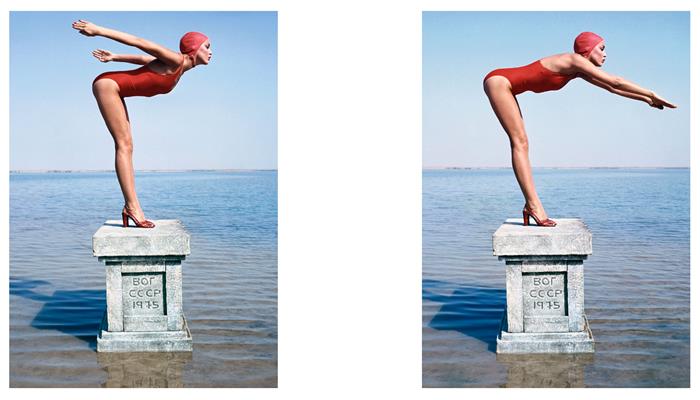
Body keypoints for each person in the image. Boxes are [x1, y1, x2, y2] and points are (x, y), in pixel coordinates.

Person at [483, 32, 676, 227]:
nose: (605, 54)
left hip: (505, 84)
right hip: (499, 82)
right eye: (601, 48)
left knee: (522, 143)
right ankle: (533, 206)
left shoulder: (577, 69)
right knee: (520, 142)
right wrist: (651, 92)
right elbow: (615, 81)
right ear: (588, 49)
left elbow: (612, 88)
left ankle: (531, 206)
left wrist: (647, 100)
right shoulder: (574, 60)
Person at [72, 19, 212, 228]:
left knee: (128, 145)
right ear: (194, 47)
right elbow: (138, 42)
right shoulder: (175, 59)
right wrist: (98, 30)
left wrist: (115, 57)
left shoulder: (179, 68)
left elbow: (142, 59)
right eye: (207, 46)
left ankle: (131, 207)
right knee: (124, 145)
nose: (211, 51)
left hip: (115, 88)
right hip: (108, 86)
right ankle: (132, 207)